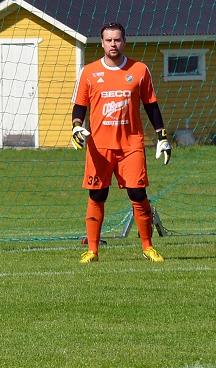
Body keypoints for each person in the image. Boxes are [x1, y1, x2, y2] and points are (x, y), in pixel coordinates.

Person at [70, 21, 171, 264]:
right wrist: (76, 127)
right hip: (99, 147)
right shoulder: (89, 72)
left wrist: (162, 136)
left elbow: (151, 106)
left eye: (117, 40)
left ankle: (147, 247)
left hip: (131, 145)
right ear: (102, 43)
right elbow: (80, 106)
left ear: (124, 41)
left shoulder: (139, 70)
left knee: (138, 193)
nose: (113, 44)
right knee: (97, 195)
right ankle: (92, 251)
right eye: (108, 40)